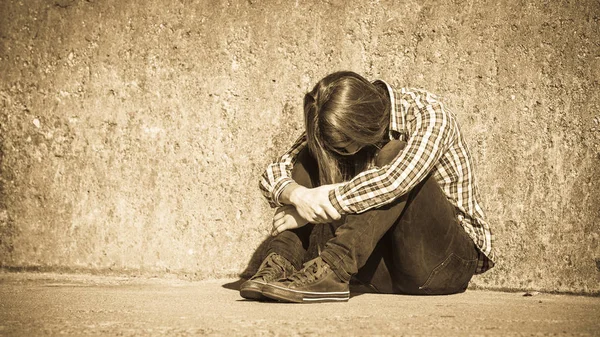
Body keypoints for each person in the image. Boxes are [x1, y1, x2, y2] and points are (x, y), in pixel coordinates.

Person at [240, 71, 495, 303]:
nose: (342, 152)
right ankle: (281, 263)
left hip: (444, 265)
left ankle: (335, 266)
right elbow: (273, 174)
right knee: (311, 152)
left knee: (394, 153)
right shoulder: (338, 122)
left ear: (362, 122)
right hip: (380, 271)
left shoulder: (428, 115)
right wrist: (299, 197)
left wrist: (325, 200)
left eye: (345, 144)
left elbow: (396, 180)